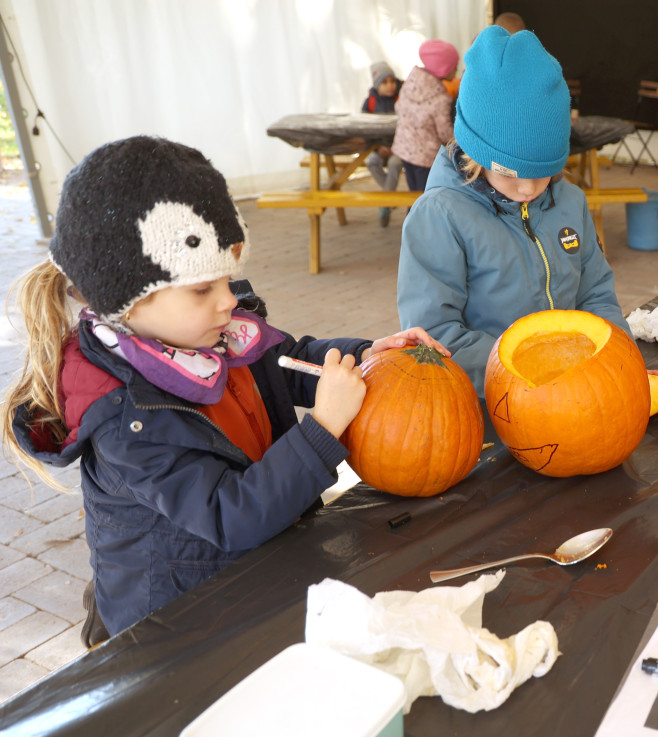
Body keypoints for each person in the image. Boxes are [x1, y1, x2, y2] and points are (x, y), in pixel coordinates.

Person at [0, 136, 447, 644]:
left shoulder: (213, 332)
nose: (226, 302)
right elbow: (229, 513)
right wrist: (322, 430)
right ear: (126, 302)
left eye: (226, 279)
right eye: (201, 289)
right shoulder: (126, 418)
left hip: (257, 566)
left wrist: (366, 356)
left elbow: (289, 360)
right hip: (181, 618)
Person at [395, 26, 631, 396]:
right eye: (510, 173)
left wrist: (620, 363)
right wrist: (527, 374)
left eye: (542, 172)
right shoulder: (439, 217)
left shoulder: (570, 202)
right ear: (475, 153)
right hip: (489, 403)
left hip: (573, 392)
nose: (528, 189)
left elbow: (596, 293)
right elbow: (435, 334)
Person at [391, 39, 458, 193]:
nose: (456, 70)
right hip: (427, 158)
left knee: (414, 192)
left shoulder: (409, 85)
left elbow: (398, 108)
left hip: (405, 151)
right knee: (426, 195)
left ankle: (412, 209)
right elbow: (445, 133)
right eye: (454, 66)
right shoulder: (440, 99)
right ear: (444, 68)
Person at [361, 61, 404, 227]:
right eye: (384, 82)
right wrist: (378, 147)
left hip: (400, 147)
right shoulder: (370, 103)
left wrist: (395, 147)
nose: (390, 85)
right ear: (376, 85)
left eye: (392, 81)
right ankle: (389, 196)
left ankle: (385, 204)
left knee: (394, 164)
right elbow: (364, 129)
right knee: (371, 162)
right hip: (378, 147)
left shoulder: (403, 98)